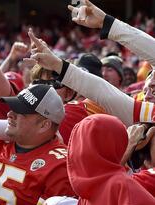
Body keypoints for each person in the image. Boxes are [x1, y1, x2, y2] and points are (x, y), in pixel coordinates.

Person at [28, 0, 155, 128]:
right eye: (147, 89)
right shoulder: (149, 112)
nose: (147, 94)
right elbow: (105, 93)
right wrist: (107, 23)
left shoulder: (79, 113)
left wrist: (108, 24)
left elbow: (106, 94)